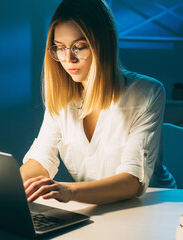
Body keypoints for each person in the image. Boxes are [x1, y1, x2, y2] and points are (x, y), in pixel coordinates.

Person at [20, 0, 175, 205]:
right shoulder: (61, 99)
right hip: (98, 208)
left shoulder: (147, 92)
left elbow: (132, 181)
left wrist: (69, 191)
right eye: (60, 47)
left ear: (103, 45)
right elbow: (41, 159)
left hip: (152, 206)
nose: (68, 58)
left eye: (80, 47)